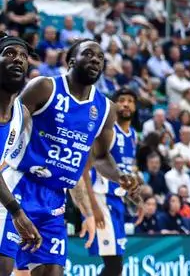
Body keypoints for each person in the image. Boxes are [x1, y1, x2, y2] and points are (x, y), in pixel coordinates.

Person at [0, 40, 141, 276]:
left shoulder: (106, 109)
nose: (95, 59)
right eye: (88, 54)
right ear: (72, 60)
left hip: (55, 198)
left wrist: (120, 176)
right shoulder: (44, 87)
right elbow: (9, 122)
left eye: (100, 57)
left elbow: (100, 157)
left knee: (52, 271)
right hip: (21, 184)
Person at [82, 88, 139, 276]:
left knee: (115, 266)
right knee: (114, 266)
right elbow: (85, 169)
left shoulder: (133, 135)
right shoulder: (107, 132)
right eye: (121, 100)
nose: (126, 104)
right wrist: (92, 208)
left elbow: (126, 172)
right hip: (101, 199)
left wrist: (136, 197)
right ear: (114, 105)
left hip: (117, 201)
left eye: (130, 101)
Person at [0, 34, 41, 263]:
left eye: (23, 56)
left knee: (4, 265)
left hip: (5, 200)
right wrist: (17, 211)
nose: (18, 59)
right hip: (9, 204)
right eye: (9, 53)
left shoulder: (22, 114)